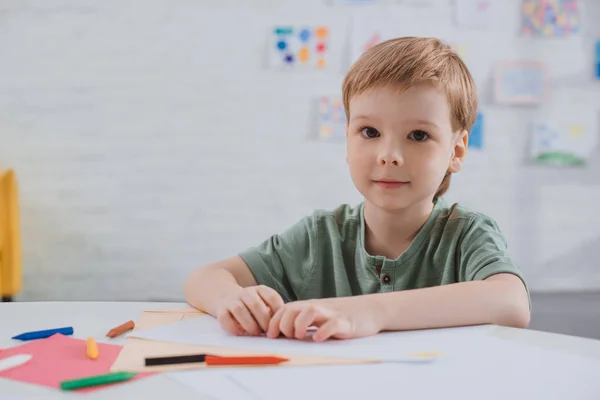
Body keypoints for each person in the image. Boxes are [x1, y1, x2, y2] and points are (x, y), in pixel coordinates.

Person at [184, 37, 530, 342]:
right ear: (347, 141)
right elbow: (205, 278)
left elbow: (512, 303)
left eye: (419, 136)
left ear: (456, 151)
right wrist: (232, 300)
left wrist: (370, 312)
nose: (389, 156)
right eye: (369, 132)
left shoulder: (466, 235)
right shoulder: (321, 237)